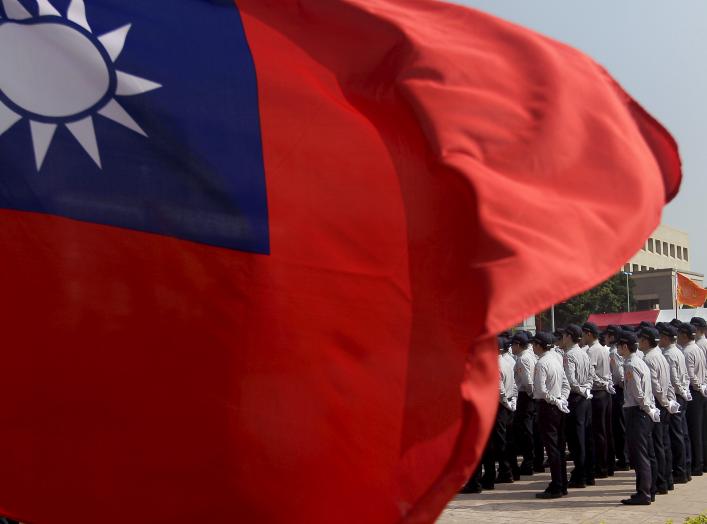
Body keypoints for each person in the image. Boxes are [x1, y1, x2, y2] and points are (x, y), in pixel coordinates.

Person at [462, 336, 517, 493]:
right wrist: (509, 401)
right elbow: (512, 385)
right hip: (498, 407)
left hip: (488, 408)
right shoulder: (507, 362)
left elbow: (495, 388)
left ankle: (476, 482)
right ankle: (489, 478)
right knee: (490, 445)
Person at [618, 330, 660, 505]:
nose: (618, 349)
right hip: (643, 411)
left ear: (625, 346)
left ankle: (644, 493)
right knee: (647, 453)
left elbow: (637, 392)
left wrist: (645, 408)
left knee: (640, 455)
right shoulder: (639, 361)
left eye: (619, 346)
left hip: (637, 412)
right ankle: (648, 490)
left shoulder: (631, 365)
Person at [639, 326, 680, 494]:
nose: (638, 342)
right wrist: (670, 401)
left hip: (657, 403)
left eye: (640, 339)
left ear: (646, 341)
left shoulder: (649, 359)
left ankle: (660, 482)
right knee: (663, 443)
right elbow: (669, 382)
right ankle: (667, 480)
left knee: (656, 446)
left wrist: (663, 402)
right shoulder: (661, 356)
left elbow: (655, 385)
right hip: (664, 403)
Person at [532, 331, 570, 498]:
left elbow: (541, 390)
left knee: (552, 448)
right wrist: (562, 399)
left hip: (548, 407)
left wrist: (555, 400)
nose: (533, 347)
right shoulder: (556, 359)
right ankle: (562, 484)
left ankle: (557, 485)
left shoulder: (542, 363)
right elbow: (565, 384)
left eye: (534, 344)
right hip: (558, 407)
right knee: (559, 446)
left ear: (540, 345)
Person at [561, 324, 594, 488]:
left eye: (564, 335)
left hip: (575, 399)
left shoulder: (569, 355)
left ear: (569, 336)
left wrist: (581, 390)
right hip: (586, 399)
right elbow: (591, 376)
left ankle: (580, 475)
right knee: (586, 438)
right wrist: (587, 389)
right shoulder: (584, 353)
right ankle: (588, 473)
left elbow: (570, 381)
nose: (562, 338)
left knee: (576, 439)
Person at [659, 323, 690, 484]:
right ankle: (684, 468)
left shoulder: (669, 355)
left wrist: (676, 395)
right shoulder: (677, 351)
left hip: (675, 396)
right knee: (681, 433)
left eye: (660, 337)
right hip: (681, 395)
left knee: (676, 435)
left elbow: (673, 379)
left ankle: (680, 470)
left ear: (665, 338)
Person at [582, 321, 613, 478]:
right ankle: (607, 464)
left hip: (598, 392)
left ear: (588, 333)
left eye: (583, 333)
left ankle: (600, 466)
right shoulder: (603, 349)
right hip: (605, 393)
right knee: (605, 430)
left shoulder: (592, 351)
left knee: (597, 431)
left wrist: (601, 383)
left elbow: (591, 374)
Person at [678, 322, 707, 477]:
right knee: (701, 429)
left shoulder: (688, 351)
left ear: (684, 335)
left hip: (693, 392)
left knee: (694, 430)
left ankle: (697, 464)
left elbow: (690, 375)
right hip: (700, 391)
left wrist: (697, 385)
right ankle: (701, 462)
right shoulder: (697, 348)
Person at [510, 332, 537, 477]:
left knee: (526, 431)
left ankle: (528, 462)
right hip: (529, 397)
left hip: (525, 396)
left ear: (518, 345)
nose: (511, 348)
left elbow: (527, 382)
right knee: (528, 430)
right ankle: (530, 460)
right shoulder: (530, 355)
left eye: (513, 345)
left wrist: (531, 395)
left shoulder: (522, 359)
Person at [606, 324, 629, 470]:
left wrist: (621, 385)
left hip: (619, 390)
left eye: (608, 335)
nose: (605, 338)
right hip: (623, 390)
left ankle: (624, 458)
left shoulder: (613, 353)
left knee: (619, 426)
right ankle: (625, 457)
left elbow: (619, 374)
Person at [690, 316, 707, 473]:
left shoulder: (698, 345)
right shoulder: (701, 345)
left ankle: (698, 463)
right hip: (702, 388)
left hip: (697, 390)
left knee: (697, 429)